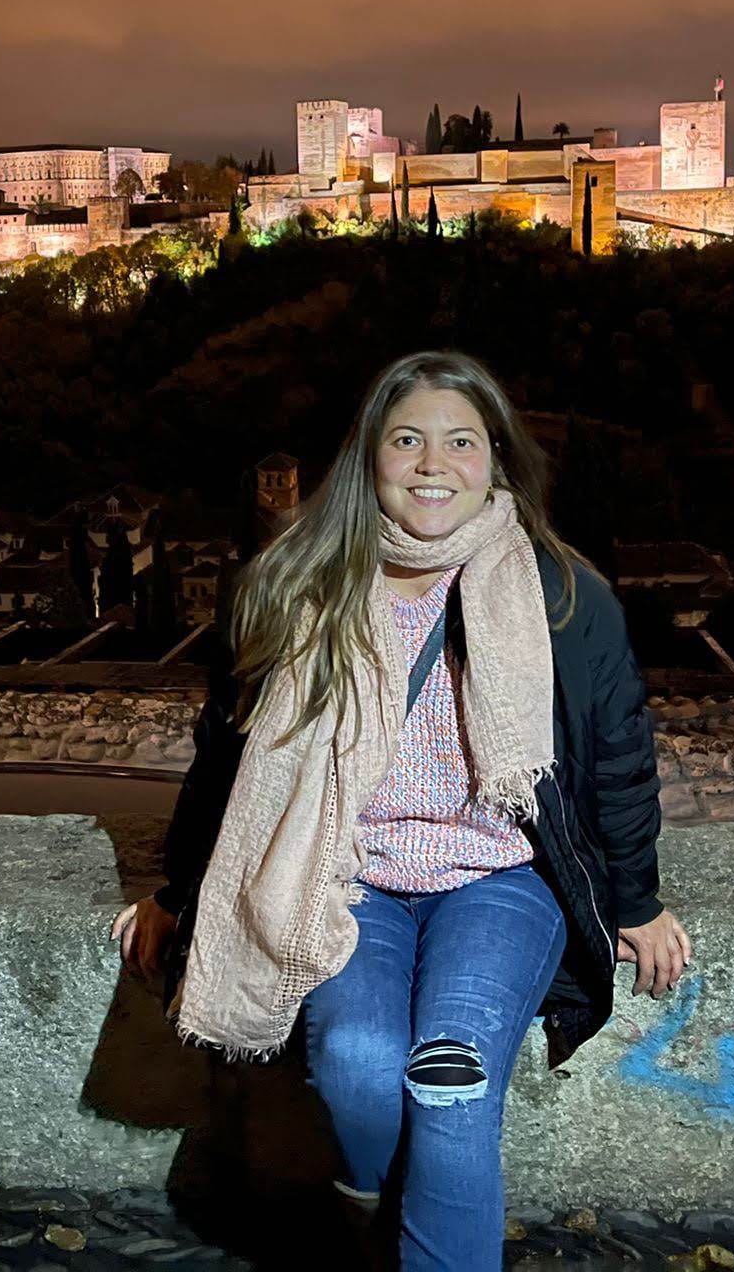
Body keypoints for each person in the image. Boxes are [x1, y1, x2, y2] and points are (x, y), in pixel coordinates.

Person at [111, 349, 691, 1271]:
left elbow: (618, 756)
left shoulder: (562, 595)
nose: (433, 465)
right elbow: (228, 754)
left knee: (452, 1078)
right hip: (350, 876)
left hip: (502, 877)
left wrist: (637, 902)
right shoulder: (294, 584)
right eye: (407, 439)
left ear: (497, 459)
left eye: (461, 442)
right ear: (368, 457)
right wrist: (178, 893)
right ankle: (372, 1195)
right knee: (354, 1063)